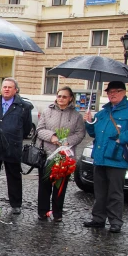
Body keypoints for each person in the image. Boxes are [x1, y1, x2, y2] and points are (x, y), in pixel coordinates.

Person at [83, 81, 128, 233]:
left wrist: (121, 138)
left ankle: (115, 222)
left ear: (124, 92)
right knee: (99, 191)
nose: (112, 94)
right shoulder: (104, 112)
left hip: (117, 158)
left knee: (115, 192)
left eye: (116, 91)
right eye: (110, 91)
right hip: (100, 157)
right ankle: (98, 219)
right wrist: (89, 122)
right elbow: (93, 133)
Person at [35, 86, 85, 222]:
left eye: (64, 96)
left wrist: (67, 142)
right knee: (44, 184)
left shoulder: (76, 115)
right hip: (47, 153)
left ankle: (57, 213)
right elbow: (39, 130)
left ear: (70, 98)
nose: (61, 98)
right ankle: (43, 212)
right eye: (59, 96)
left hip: (65, 156)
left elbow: (80, 133)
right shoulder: (47, 111)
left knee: (60, 187)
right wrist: (53, 137)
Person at [0, 77, 33, 215]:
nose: (7, 89)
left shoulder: (24, 107)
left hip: (12, 146)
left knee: (14, 176)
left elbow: (26, 128)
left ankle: (16, 204)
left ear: (15, 90)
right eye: (4, 87)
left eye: (10, 87)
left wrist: (15, 137)